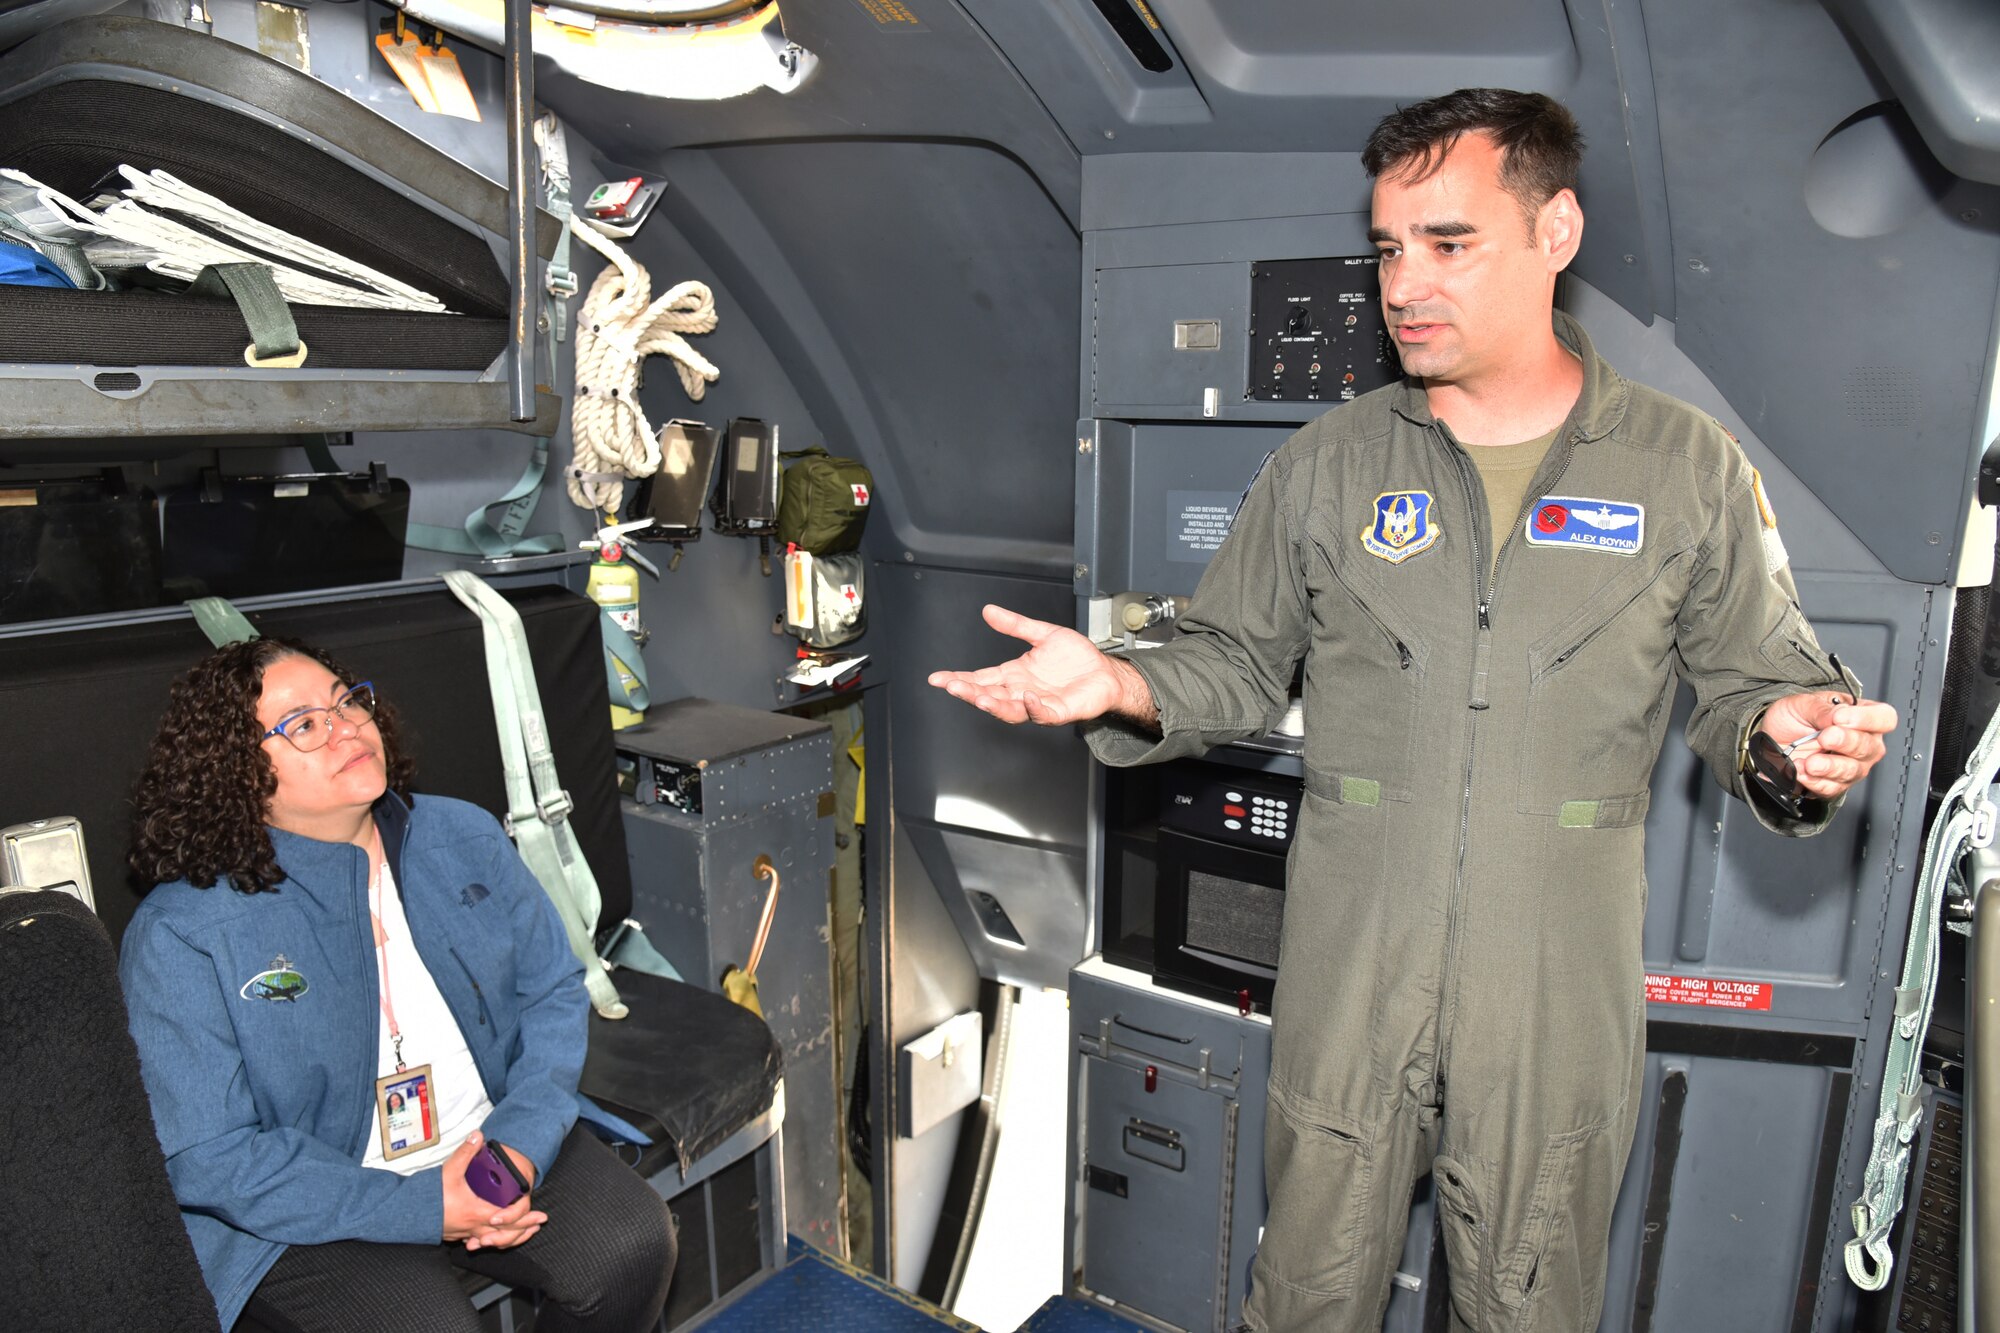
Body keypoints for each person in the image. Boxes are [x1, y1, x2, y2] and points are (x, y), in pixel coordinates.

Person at [929, 89, 1899, 1332]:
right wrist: (1122, 678)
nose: (1402, 283)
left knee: (1528, 1301)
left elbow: (1753, 684)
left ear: (1555, 232)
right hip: (1351, 971)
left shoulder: (1683, 470)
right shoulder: (1328, 466)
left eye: (1448, 244)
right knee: (1306, 1297)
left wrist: (1785, 740)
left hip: (1550, 990)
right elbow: (1230, 655)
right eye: (1389, 248)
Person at [120, 637, 676, 1333]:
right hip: (314, 1201)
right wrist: (424, 1207)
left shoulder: (461, 836)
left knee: (630, 1248)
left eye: (347, 701)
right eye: (304, 724)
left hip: (485, 1140)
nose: (347, 726)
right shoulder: (183, 930)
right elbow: (211, 1154)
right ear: (233, 769)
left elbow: (554, 992)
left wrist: (512, 1153)